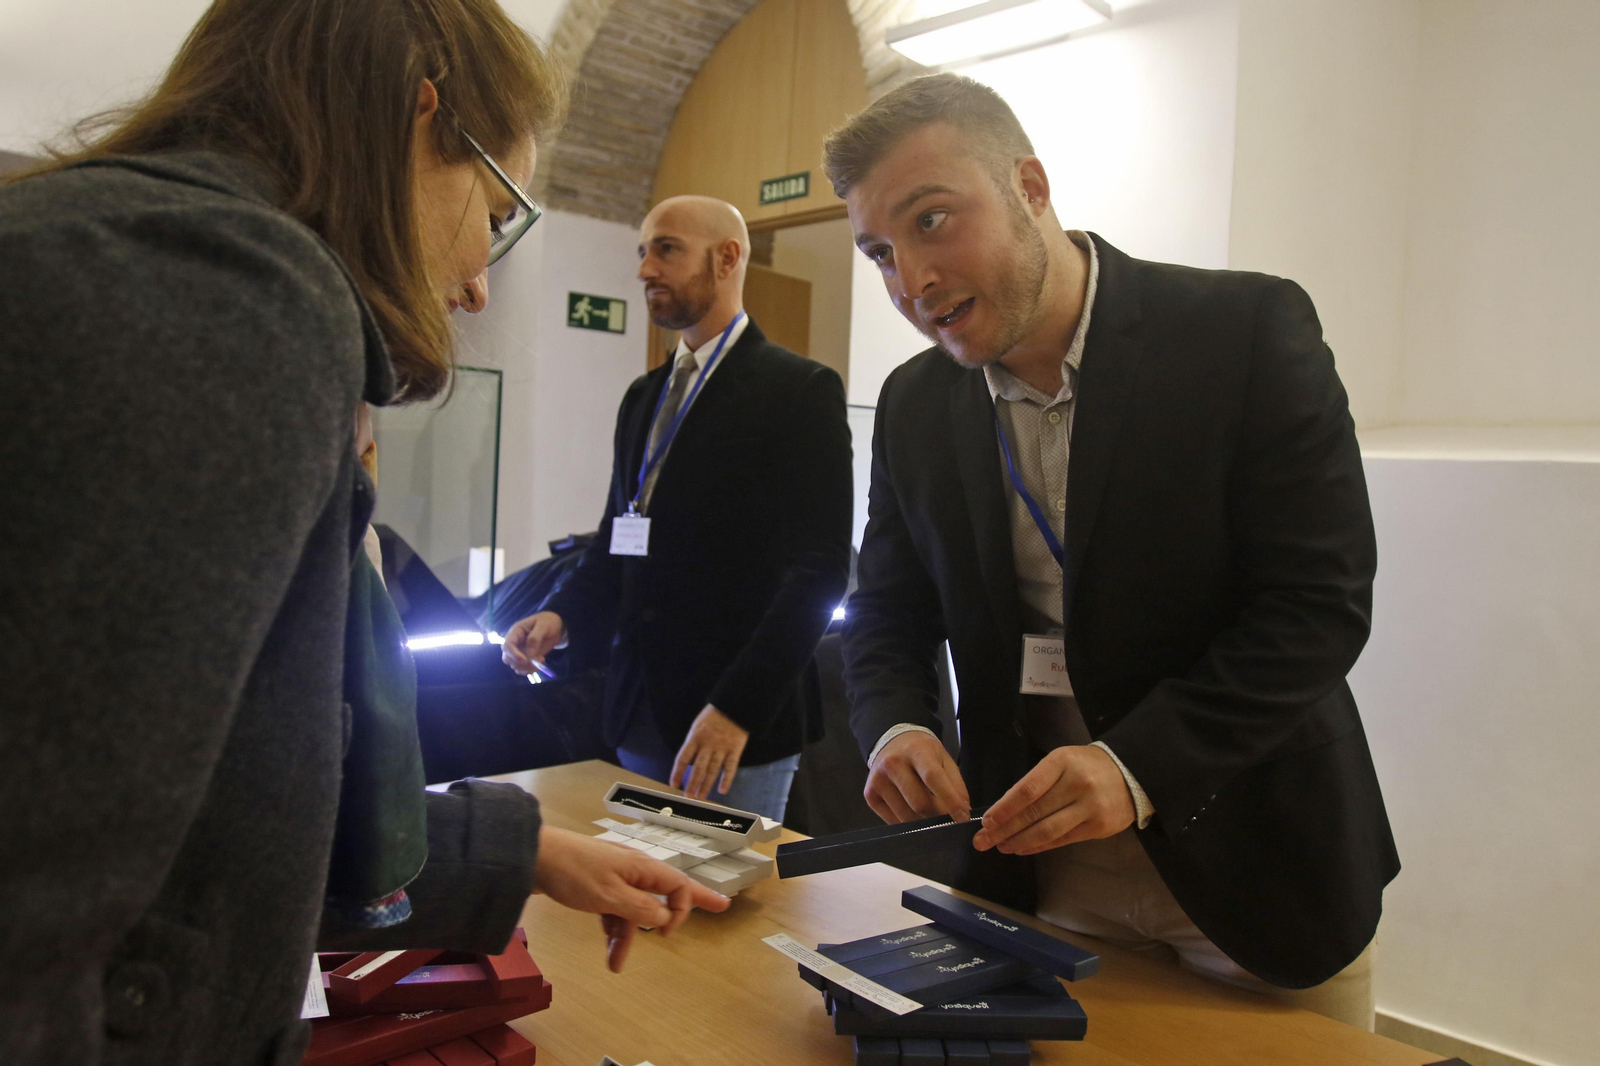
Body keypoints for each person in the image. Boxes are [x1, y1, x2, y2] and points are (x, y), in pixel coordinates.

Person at [0, 3, 725, 1065]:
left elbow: (225, 810)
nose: (477, 282)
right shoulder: (228, 287)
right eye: (497, 210)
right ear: (417, 118)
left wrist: (518, 856)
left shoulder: (160, 261)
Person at [829, 74, 1399, 1027]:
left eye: (932, 221)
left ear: (1030, 188)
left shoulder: (1243, 333)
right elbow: (886, 608)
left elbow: (1318, 605)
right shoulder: (915, 403)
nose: (911, 281)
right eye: (880, 252)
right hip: (1035, 876)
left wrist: (1136, 767)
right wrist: (895, 726)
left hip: (1256, 861)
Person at [501, 196, 853, 822]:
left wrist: (737, 708)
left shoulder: (799, 391)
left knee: (722, 886)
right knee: (642, 882)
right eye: (643, 252)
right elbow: (618, 537)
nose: (644, 269)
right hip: (638, 708)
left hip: (734, 725)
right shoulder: (644, 396)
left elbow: (819, 573)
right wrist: (561, 613)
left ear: (727, 258)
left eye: (666, 249)